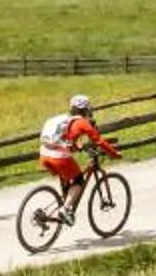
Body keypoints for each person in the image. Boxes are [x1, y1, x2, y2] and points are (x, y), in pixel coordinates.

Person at [37, 91, 118, 219]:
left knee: (68, 177)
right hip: (58, 157)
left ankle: (58, 208)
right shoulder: (82, 122)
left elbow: (66, 140)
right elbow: (99, 141)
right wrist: (114, 154)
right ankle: (64, 210)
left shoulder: (62, 119)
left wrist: (77, 147)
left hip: (44, 154)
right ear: (85, 109)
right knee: (79, 180)